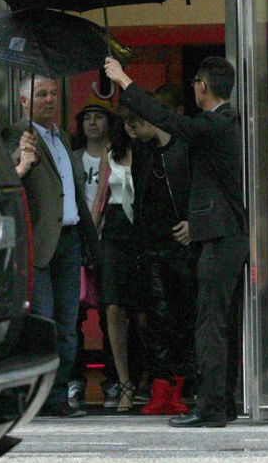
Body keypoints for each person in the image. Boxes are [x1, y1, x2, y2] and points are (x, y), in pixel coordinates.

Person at [104, 56, 249, 427]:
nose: (193, 88)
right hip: (225, 232)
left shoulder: (214, 123)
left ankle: (212, 406)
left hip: (219, 235)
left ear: (204, 85)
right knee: (222, 322)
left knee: (210, 322)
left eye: (196, 81)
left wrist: (123, 80)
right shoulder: (226, 122)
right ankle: (224, 403)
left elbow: (166, 119)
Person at [2, 74, 100, 418]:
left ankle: (56, 398)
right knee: (43, 324)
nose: (49, 99)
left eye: (53, 93)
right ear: (24, 102)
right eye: (40, 94)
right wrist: (22, 163)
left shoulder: (61, 138)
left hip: (70, 241)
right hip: (39, 244)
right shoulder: (18, 136)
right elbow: (3, 185)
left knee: (68, 325)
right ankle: (36, 399)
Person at [119, 101, 198, 416]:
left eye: (134, 126)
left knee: (181, 316)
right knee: (156, 317)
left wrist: (195, 222)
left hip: (179, 241)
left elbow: (200, 188)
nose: (132, 133)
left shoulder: (185, 148)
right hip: (151, 242)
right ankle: (162, 386)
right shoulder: (144, 152)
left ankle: (175, 386)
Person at [68, 93, 120, 409]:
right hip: (77, 241)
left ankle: (115, 380)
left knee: (110, 314)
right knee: (73, 315)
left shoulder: (118, 156)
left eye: (99, 116)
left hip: (109, 241)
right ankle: (74, 380)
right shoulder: (72, 158)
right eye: (87, 116)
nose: (92, 122)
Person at [91, 117, 139, 413]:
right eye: (129, 121)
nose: (132, 126)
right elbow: (99, 199)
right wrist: (89, 239)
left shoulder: (151, 150)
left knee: (144, 312)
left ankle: (150, 376)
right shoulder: (109, 152)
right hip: (115, 231)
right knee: (112, 307)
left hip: (143, 230)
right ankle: (125, 384)